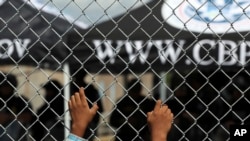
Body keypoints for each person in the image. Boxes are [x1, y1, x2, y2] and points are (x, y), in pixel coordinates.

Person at [66, 87, 173, 141]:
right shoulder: (122, 102)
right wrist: (159, 134)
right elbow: (113, 120)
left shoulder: (146, 102)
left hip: (141, 135)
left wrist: (78, 126)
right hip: (125, 136)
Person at [71, 69, 103, 140]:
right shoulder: (70, 88)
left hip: (90, 123)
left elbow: (99, 107)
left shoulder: (91, 89)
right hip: (73, 122)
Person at [0, 73, 33, 141]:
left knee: (16, 123)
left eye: (7, 86)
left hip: (16, 135)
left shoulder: (20, 101)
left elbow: (28, 117)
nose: (5, 88)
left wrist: (8, 117)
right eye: (3, 86)